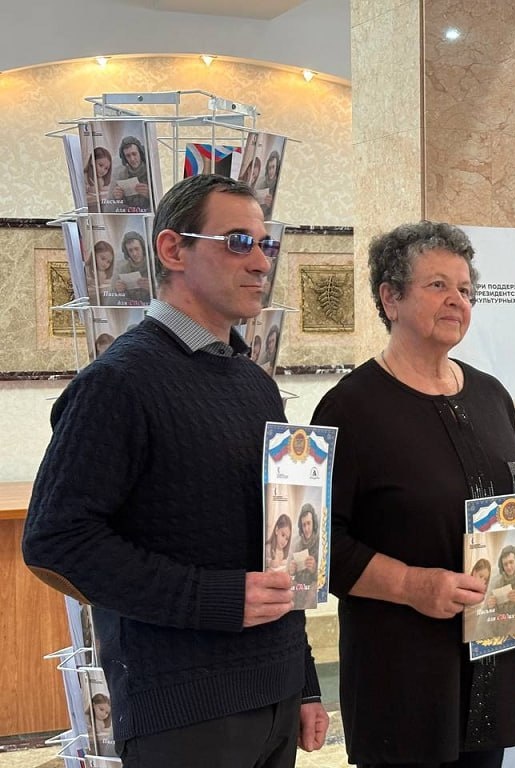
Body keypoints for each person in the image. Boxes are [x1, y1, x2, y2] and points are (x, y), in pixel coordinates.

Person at [22, 174, 328, 768]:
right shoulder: (119, 383)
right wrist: (212, 598)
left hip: (275, 691)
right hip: (184, 711)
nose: (261, 262)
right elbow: (56, 541)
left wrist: (305, 680)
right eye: (238, 241)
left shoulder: (255, 385)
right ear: (172, 250)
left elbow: (278, 550)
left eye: (266, 244)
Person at [311, 220, 515, 767]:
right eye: (438, 285)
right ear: (390, 298)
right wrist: (411, 584)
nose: (457, 300)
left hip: (490, 662)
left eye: (465, 289)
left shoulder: (492, 395)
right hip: (402, 676)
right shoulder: (349, 408)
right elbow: (316, 547)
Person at [485, 545, 515, 636]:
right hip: (502, 622)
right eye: (505, 564)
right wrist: (491, 606)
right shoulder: (498, 583)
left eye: (511, 562)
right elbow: (491, 610)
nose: (509, 567)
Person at [290, 503, 319, 610]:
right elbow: (290, 574)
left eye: (309, 523)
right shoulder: (297, 544)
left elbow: (325, 577)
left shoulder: (320, 543)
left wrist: (315, 569)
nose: (306, 528)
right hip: (299, 585)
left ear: (314, 523)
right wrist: (291, 571)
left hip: (312, 587)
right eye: (304, 525)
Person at [112, 230, 151, 305]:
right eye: (130, 250)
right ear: (127, 252)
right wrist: (118, 290)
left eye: (137, 249)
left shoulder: (154, 265)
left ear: (143, 248)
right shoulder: (123, 269)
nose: (134, 254)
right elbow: (115, 299)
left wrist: (152, 288)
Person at [112, 135, 151, 211]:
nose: (132, 159)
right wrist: (117, 197)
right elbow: (115, 206)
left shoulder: (151, 171)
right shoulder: (121, 175)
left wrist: (150, 194)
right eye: (128, 156)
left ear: (140, 153)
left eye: (134, 154)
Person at [83, 147, 113, 212]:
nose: (103, 170)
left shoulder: (101, 179)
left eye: (106, 168)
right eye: (100, 165)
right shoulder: (84, 176)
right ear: (92, 161)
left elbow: (102, 189)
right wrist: (88, 188)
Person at [256, 150, 281, 218]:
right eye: (269, 168)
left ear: (277, 167)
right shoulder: (262, 182)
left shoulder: (279, 185)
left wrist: (272, 206)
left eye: (273, 167)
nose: (271, 171)